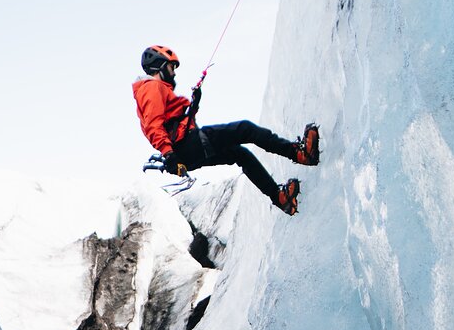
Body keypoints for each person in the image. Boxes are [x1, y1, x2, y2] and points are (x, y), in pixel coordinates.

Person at [132, 45, 319, 215]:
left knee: (240, 155)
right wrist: (169, 154)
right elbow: (153, 125)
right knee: (245, 129)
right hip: (186, 146)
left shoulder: (157, 90)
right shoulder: (151, 87)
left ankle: (280, 198)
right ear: (160, 67)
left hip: (185, 152)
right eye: (171, 67)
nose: (173, 73)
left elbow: (174, 122)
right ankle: (299, 153)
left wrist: (194, 104)